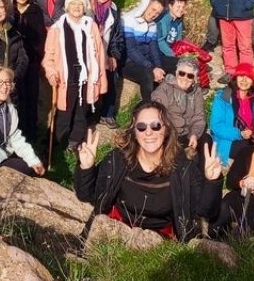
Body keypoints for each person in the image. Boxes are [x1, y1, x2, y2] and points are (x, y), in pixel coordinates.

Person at [75, 102, 224, 241]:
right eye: (141, 127)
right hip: (117, 229)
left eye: (156, 126)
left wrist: (212, 182)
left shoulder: (183, 167)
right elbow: (87, 195)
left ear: (166, 129)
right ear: (134, 131)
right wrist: (86, 167)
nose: (148, 132)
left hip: (161, 238)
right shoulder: (118, 159)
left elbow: (205, 211)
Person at [43, 0, 107, 151]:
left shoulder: (90, 25)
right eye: (73, 4)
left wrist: (100, 76)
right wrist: (51, 72)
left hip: (86, 77)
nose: (77, 7)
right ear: (66, 7)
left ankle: (75, 140)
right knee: (64, 112)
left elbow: (99, 53)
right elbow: (48, 57)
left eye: (80, 4)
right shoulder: (56, 29)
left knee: (82, 110)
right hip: (66, 77)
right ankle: (56, 144)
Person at [10, 0, 48, 140]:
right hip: (14, 62)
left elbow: (40, 37)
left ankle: (30, 134)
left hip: (32, 61)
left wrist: (37, 58)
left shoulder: (35, 10)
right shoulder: (9, 11)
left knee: (31, 96)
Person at [88, 0, 126, 129]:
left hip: (105, 52)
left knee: (112, 76)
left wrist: (114, 55)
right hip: (88, 54)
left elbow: (117, 36)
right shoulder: (85, 6)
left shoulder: (113, 10)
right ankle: (87, 115)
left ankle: (107, 114)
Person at [209, 63, 254, 167]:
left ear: (253, 81)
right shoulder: (223, 97)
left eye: (248, 77)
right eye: (241, 76)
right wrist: (240, 134)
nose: (244, 80)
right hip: (229, 140)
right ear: (235, 78)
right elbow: (216, 126)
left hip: (252, 137)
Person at [151, 58, 206, 153]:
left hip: (188, 133)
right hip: (169, 134)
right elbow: (159, 115)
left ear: (194, 79)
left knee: (206, 140)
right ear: (176, 73)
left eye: (190, 76)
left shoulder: (197, 92)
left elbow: (199, 117)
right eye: (182, 73)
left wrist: (194, 134)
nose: (185, 78)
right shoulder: (164, 89)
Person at [121, 0, 166, 103]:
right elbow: (131, 50)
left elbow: (153, 48)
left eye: (158, 13)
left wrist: (158, 67)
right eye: (153, 9)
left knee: (175, 63)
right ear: (146, 6)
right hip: (127, 62)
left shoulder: (152, 25)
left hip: (145, 59)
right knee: (147, 74)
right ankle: (148, 107)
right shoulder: (128, 20)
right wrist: (152, 67)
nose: (154, 14)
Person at [156, 0, 188, 71]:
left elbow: (179, 40)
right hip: (160, 53)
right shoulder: (163, 20)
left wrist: (182, 52)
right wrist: (173, 54)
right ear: (170, 6)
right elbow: (160, 41)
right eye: (178, 6)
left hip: (171, 51)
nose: (181, 9)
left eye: (183, 7)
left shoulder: (178, 20)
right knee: (182, 65)